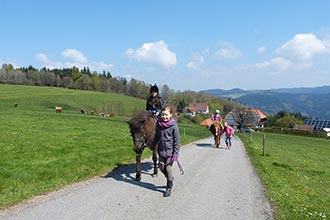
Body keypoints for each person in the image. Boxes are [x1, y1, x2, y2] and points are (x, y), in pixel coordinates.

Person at [151, 106, 180, 197]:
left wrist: (175, 154)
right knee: (161, 168)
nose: (164, 117)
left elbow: (177, 140)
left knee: (168, 169)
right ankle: (170, 178)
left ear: (171, 115)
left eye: (166, 115)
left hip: (171, 152)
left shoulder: (173, 126)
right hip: (161, 151)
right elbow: (156, 137)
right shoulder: (158, 125)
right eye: (163, 115)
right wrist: (153, 144)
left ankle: (168, 187)